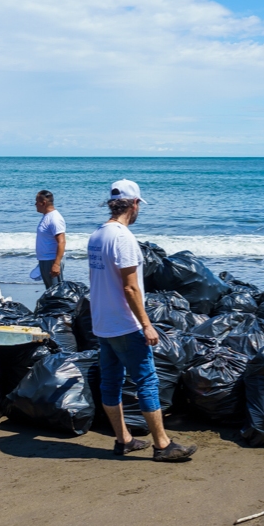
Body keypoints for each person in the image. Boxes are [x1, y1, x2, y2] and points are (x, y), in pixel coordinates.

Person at [88, 179, 196, 462]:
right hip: (125, 323)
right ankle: (162, 444)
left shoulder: (97, 234)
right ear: (134, 204)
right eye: (139, 206)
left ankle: (123, 440)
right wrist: (147, 324)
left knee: (110, 382)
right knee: (147, 380)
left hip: (102, 321)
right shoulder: (123, 238)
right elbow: (130, 287)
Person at [35, 190, 67, 288]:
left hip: (52, 260)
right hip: (45, 260)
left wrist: (56, 264)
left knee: (56, 292)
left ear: (43, 203)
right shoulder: (46, 217)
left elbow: (61, 242)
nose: (35, 204)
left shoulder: (55, 218)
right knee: (50, 292)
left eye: (37, 202)